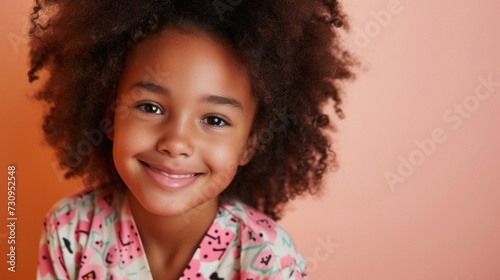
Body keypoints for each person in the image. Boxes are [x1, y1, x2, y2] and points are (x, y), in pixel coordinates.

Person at [29, 0, 355, 279]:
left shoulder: (268, 259)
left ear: (249, 143)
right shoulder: (71, 229)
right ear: (111, 115)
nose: (176, 141)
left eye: (214, 119)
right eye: (150, 107)